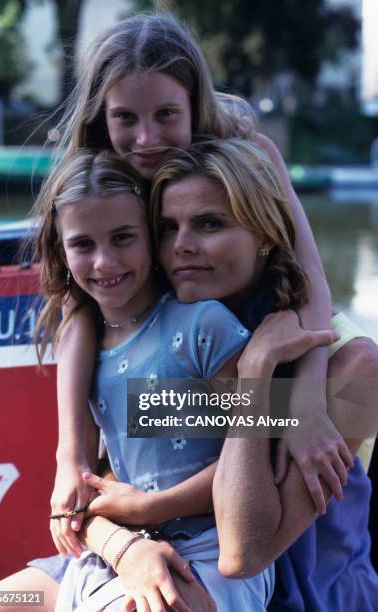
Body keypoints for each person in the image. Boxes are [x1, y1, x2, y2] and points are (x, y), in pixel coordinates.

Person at [34, 12, 343, 559]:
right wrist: (69, 457)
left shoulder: (250, 156)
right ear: (103, 118)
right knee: (155, 426)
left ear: (194, 106)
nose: (147, 138)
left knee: (356, 378)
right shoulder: (105, 179)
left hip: (276, 337)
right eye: (126, 117)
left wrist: (309, 402)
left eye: (166, 115)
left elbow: (311, 280)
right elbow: (78, 309)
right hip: (182, 364)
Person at [148, 137, 378, 611]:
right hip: (177, 572)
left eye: (209, 223)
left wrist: (256, 374)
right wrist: (124, 545)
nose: (182, 247)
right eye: (168, 228)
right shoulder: (174, 335)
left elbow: (242, 550)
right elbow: (111, 475)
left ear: (267, 236)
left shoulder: (356, 366)